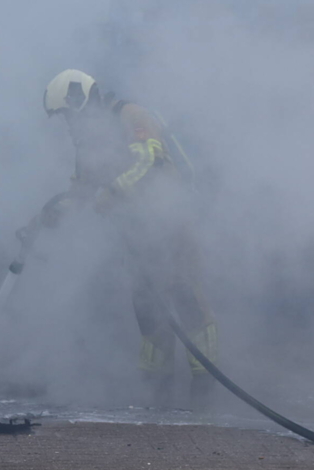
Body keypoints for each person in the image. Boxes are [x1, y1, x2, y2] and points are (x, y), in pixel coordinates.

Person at [41, 69, 218, 409]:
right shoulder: (88, 142)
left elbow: (149, 157)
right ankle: (159, 388)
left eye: (66, 114)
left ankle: (203, 388)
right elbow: (81, 189)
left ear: (80, 101)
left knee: (187, 300)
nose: (67, 124)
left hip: (170, 221)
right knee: (147, 305)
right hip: (136, 233)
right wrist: (51, 213)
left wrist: (113, 190)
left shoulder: (131, 116)